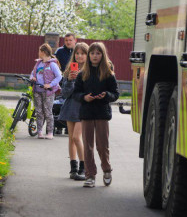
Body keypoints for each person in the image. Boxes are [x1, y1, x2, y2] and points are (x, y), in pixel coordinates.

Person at [73, 42, 119, 188]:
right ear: (89, 55)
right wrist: (84, 97)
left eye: (98, 53)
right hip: (86, 114)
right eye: (92, 53)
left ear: (102, 55)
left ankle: (107, 169)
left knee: (102, 145)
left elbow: (115, 94)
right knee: (87, 146)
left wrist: (106, 95)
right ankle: (90, 175)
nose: (95, 56)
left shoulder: (108, 74)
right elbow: (75, 93)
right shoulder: (82, 74)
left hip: (102, 114)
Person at [59, 42, 89, 181]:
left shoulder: (90, 72)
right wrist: (70, 80)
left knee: (77, 137)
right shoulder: (69, 70)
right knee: (71, 139)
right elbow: (65, 93)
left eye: (83, 53)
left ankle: (84, 167)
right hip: (70, 107)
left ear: (87, 55)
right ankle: (73, 169)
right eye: (77, 53)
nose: (79, 56)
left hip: (83, 108)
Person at [29, 43, 62, 139]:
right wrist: (32, 78)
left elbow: (59, 76)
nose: (38, 53)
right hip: (37, 90)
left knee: (47, 112)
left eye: (39, 51)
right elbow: (32, 73)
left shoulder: (52, 64)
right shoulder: (38, 63)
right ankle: (39, 132)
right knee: (39, 112)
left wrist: (50, 85)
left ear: (43, 52)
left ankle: (50, 132)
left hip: (48, 92)